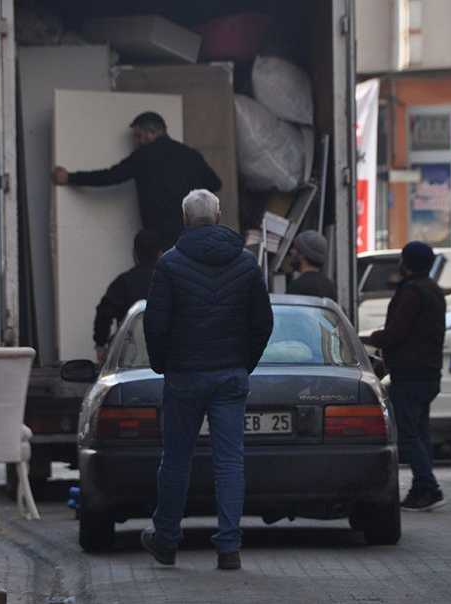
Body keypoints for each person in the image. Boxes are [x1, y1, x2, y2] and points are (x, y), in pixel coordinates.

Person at [141, 189, 273, 571]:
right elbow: (263, 322)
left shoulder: (169, 264)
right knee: (230, 463)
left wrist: (163, 363)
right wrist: (243, 363)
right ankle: (228, 548)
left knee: (176, 460)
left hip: (184, 375)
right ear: (218, 217)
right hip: (230, 375)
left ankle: (166, 540)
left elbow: (156, 322)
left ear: (185, 219)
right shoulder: (246, 264)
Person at [53, 112, 223, 250]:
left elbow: (109, 176)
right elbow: (215, 184)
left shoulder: (144, 156)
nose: (137, 141)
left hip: (160, 237)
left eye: (138, 136)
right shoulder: (191, 155)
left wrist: (70, 177)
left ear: (152, 133)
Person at [367, 242, 446, 512]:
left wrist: (371, 338)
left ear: (407, 262)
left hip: (410, 373)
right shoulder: (433, 290)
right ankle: (420, 488)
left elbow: (398, 331)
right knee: (420, 432)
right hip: (428, 372)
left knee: (409, 434)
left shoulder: (412, 292)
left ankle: (429, 485)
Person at [93, 230, 163, 363]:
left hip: (129, 360)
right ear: (161, 254)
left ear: (135, 254)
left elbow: (103, 313)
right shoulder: (171, 282)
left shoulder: (123, 283)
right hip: (168, 359)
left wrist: (101, 345)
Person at [286, 230, 337, 301]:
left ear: (302, 254)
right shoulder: (329, 287)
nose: (291, 251)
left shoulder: (297, 286)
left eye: (294, 248)